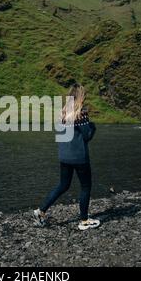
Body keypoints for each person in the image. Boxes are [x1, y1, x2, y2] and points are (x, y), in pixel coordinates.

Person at [33, 83, 100, 231]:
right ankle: (84, 220)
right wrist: (93, 126)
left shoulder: (62, 112)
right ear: (81, 96)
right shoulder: (80, 113)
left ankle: (41, 211)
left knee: (63, 185)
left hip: (64, 156)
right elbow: (87, 136)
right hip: (79, 157)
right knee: (86, 187)